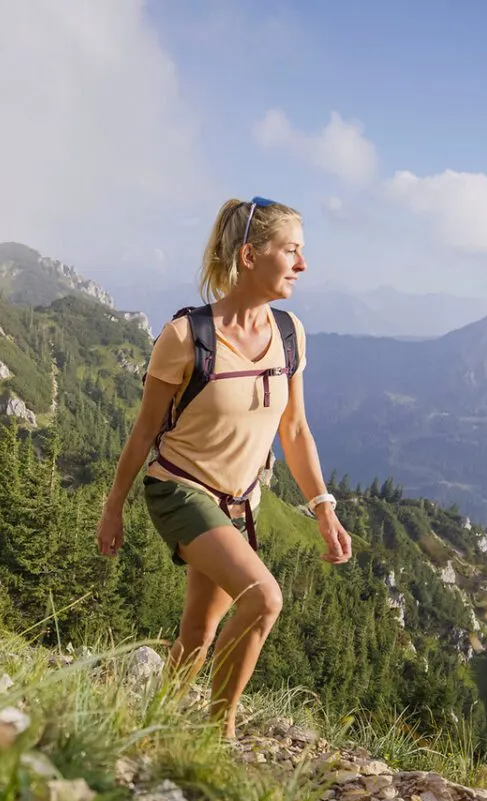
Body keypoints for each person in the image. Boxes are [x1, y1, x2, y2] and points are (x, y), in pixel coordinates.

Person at [96, 196, 353, 739]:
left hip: (240, 502)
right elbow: (144, 432)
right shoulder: (187, 338)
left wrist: (323, 509)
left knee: (198, 632)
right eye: (292, 251)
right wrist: (113, 507)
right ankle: (220, 735)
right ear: (250, 255)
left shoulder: (289, 334)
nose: (303, 265)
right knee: (264, 598)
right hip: (180, 491)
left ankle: (154, 730)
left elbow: (295, 431)